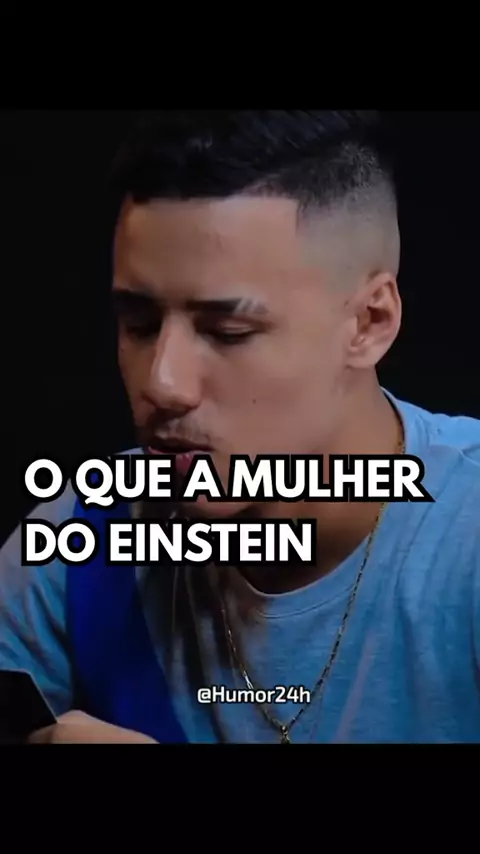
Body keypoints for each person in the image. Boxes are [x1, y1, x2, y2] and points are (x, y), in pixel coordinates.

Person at [1, 109, 480, 744]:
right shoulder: (82, 542)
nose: (163, 382)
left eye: (228, 332)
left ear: (369, 323)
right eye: (139, 325)